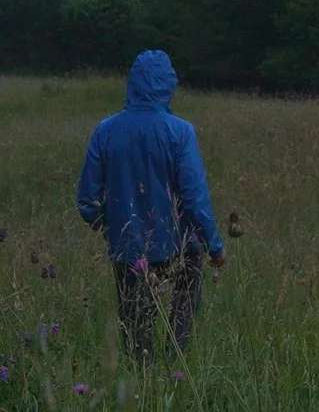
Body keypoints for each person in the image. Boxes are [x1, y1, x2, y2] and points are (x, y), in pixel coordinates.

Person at [76, 50, 226, 361]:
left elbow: (87, 201)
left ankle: (141, 384)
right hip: (182, 246)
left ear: (131, 83)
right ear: (169, 84)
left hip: (128, 248)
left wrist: (112, 226)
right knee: (183, 315)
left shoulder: (105, 130)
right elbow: (195, 197)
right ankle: (176, 369)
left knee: (135, 328)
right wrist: (215, 245)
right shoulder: (180, 131)